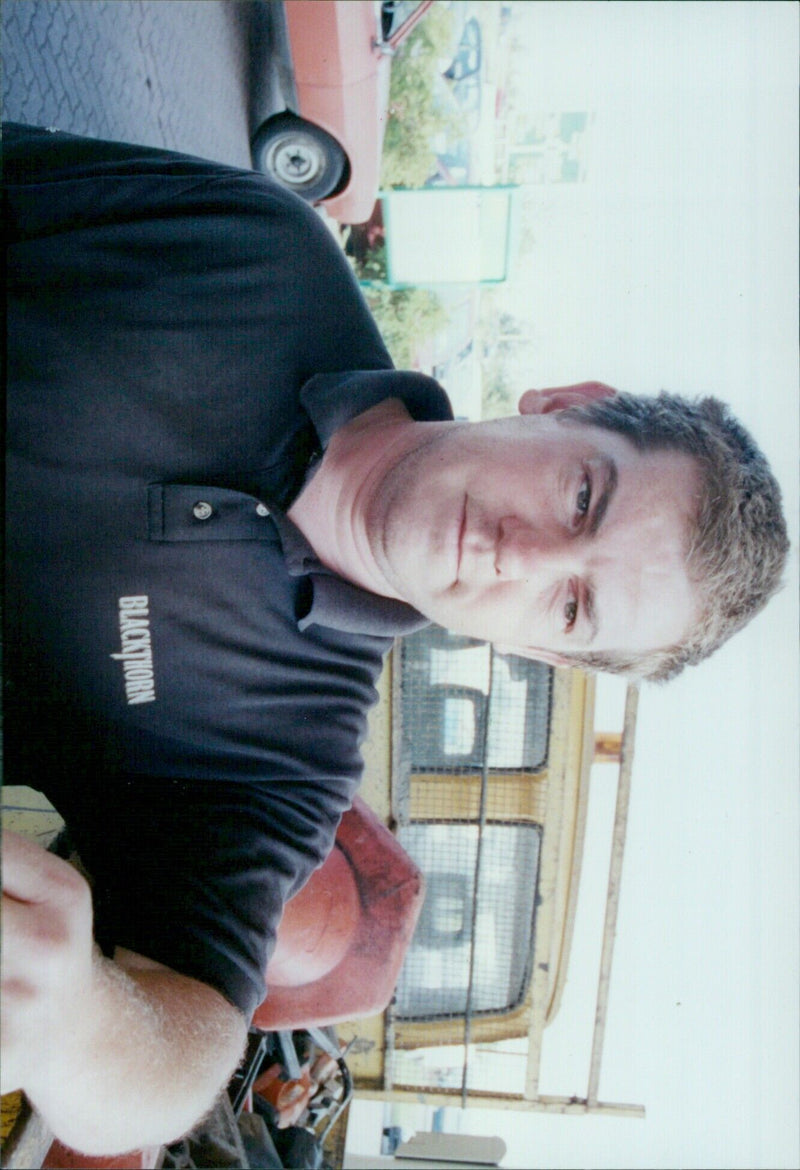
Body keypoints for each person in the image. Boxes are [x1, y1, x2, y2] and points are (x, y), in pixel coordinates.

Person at [2, 124, 788, 1155]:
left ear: (542, 656)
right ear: (564, 406)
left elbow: (180, 1049)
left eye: (567, 608)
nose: (520, 554)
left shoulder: (284, 757)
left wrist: (75, 1024)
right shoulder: (257, 256)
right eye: (581, 497)